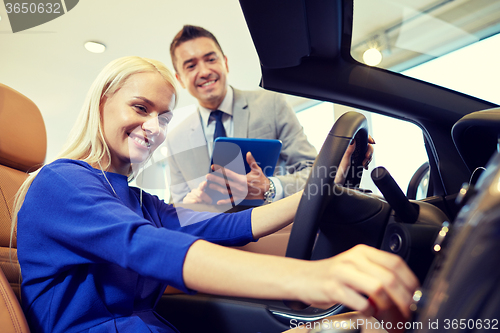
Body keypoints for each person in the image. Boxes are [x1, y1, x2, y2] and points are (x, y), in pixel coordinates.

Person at [13, 56, 416, 333]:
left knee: (362, 325)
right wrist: (312, 278)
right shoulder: (60, 182)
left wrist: (326, 184)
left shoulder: (138, 201)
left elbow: (226, 225)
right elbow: (146, 246)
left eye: (163, 116)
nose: (153, 127)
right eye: (139, 107)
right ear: (102, 103)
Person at [166, 24, 319, 205]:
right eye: (191, 66)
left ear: (226, 63)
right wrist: (189, 206)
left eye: (211, 60)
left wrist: (271, 186)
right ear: (180, 80)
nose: (205, 72)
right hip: (211, 233)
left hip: (275, 228)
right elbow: (175, 206)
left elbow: (312, 170)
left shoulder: (271, 104)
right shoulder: (175, 141)